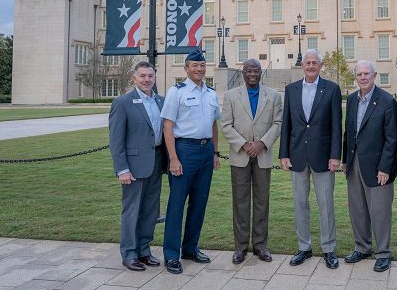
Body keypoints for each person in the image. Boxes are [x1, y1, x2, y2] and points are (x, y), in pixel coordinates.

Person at [279, 49, 342, 269]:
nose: (311, 66)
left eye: (315, 62)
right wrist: (283, 153)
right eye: (308, 62)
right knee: (300, 203)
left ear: (320, 65)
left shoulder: (332, 89)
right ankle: (304, 247)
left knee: (325, 204)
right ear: (303, 65)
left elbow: (336, 125)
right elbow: (286, 123)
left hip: (324, 157)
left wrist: (336, 155)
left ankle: (328, 249)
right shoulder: (291, 89)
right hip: (297, 156)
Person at [160, 49, 221, 275]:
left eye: (203, 65)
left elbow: (214, 124)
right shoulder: (177, 92)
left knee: (199, 203)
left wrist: (215, 152)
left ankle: (190, 248)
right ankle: (171, 255)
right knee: (177, 204)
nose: (199, 69)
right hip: (184, 150)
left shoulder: (211, 93)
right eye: (195, 65)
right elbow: (168, 126)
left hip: (206, 152)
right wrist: (173, 158)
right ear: (186, 68)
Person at [221, 58, 282, 264]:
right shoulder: (231, 95)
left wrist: (262, 144)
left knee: (261, 202)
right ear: (243, 73)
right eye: (249, 70)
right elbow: (226, 125)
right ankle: (240, 247)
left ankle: (260, 245)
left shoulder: (273, 96)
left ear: (261, 72)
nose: (253, 74)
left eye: (256, 70)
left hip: (263, 156)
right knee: (240, 202)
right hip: (240, 156)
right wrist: (245, 144)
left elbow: (277, 123)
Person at [342, 60, 397, 272]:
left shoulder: (386, 101)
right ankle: (362, 247)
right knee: (357, 208)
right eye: (359, 74)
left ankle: (383, 252)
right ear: (356, 77)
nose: (363, 78)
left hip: (378, 167)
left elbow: (392, 139)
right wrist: (346, 160)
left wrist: (385, 168)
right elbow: (349, 132)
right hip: (355, 163)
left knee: (380, 211)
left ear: (374, 76)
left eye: (367, 74)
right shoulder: (353, 100)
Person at [109, 61, 165, 271]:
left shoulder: (161, 101)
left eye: (150, 76)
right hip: (133, 167)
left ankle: (144, 250)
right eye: (142, 76)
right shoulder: (123, 103)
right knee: (132, 210)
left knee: (151, 211)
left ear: (154, 78)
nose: (146, 80)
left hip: (156, 163)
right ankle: (129, 253)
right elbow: (116, 140)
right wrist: (122, 169)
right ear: (134, 78)